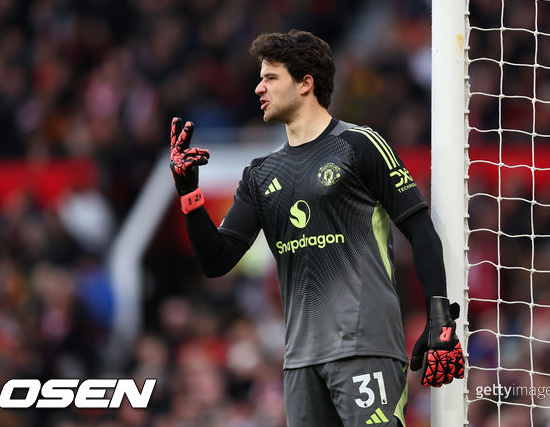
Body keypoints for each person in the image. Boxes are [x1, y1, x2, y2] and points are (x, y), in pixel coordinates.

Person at [169, 29, 464, 427]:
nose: (259, 88)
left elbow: (420, 229)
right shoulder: (259, 174)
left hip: (365, 347)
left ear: (305, 83)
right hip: (300, 362)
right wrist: (189, 192)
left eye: (270, 77)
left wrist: (440, 317)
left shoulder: (360, 145)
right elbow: (217, 260)